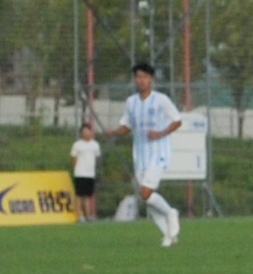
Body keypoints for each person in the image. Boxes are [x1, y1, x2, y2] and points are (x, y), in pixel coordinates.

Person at [105, 63, 183, 246]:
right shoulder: (131, 102)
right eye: (138, 77)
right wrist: (114, 132)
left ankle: (171, 212)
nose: (142, 80)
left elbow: (177, 120)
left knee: (146, 192)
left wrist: (161, 133)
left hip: (159, 153)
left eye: (145, 77)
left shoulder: (161, 100)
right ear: (135, 79)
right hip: (139, 156)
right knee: (146, 197)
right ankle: (168, 235)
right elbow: (127, 126)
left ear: (152, 79)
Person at [70, 123, 102, 222]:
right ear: (81, 133)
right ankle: (80, 216)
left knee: (88, 196)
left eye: (88, 131)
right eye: (84, 131)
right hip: (80, 173)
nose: (86, 133)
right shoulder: (77, 145)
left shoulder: (95, 145)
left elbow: (96, 158)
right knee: (79, 196)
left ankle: (88, 215)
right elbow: (73, 158)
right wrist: (77, 169)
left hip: (90, 174)